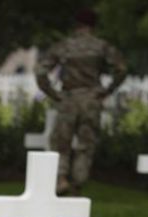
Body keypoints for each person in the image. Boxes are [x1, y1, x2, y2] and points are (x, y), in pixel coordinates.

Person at [35, 8, 127, 195]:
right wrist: (107, 90)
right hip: (91, 99)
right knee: (86, 143)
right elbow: (121, 69)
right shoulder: (102, 46)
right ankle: (78, 181)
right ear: (94, 25)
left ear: (76, 25)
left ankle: (61, 179)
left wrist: (53, 93)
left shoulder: (64, 46)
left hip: (68, 98)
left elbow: (41, 71)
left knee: (61, 141)